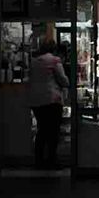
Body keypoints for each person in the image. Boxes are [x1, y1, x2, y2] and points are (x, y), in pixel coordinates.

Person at [27, 30, 70, 167]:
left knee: (42, 130)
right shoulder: (54, 60)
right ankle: (51, 159)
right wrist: (67, 83)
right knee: (53, 131)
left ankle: (38, 159)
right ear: (54, 49)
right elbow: (63, 80)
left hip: (36, 100)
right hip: (51, 99)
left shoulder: (34, 61)